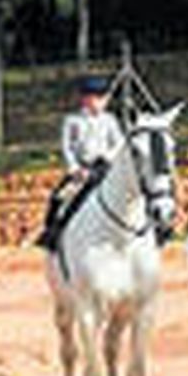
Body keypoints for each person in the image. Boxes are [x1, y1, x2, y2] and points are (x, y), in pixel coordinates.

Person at [37, 75, 125, 251]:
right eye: (97, 98)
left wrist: (108, 157)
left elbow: (119, 143)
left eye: (104, 98)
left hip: (105, 169)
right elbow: (67, 147)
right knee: (59, 197)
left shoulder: (110, 120)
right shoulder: (72, 121)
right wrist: (75, 168)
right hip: (82, 170)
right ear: (85, 99)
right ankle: (52, 231)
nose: (101, 102)